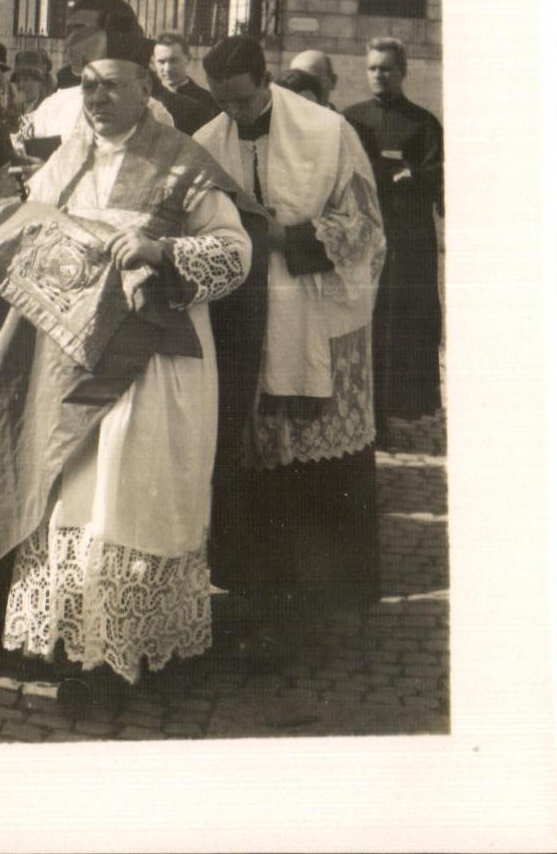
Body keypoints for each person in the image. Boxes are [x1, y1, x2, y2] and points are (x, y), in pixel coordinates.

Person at [0, 25, 253, 713]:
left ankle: (124, 650)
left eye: (113, 82)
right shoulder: (67, 162)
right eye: (87, 83)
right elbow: (21, 232)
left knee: (130, 496)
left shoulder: (180, 161)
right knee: (76, 495)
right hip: (76, 361)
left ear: (145, 86)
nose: (97, 95)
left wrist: (163, 252)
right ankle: (81, 641)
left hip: (153, 363)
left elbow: (234, 254)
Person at [195, 35, 386, 658]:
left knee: (309, 475)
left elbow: (365, 231)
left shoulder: (328, 133)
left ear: (266, 77)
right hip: (241, 326)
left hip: (310, 317)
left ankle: (318, 607)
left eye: (246, 100)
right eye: (226, 105)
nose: (239, 115)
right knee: (250, 470)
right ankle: (257, 603)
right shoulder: (207, 142)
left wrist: (285, 235)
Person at [343, 38, 444, 443]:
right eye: (373, 68)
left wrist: (414, 177)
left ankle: (395, 410)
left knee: (401, 326)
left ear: (403, 72)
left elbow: (438, 175)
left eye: (386, 68)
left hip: (408, 241)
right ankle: (361, 410)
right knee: (364, 322)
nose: (379, 75)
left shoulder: (424, 123)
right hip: (365, 237)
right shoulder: (352, 120)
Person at [22, 0, 171, 156]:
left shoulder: (149, 111)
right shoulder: (53, 106)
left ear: (114, 36)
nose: (69, 42)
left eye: (78, 30)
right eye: (68, 32)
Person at [151, 30, 218, 134]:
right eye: (161, 62)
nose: (168, 68)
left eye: (174, 60)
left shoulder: (208, 101)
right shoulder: (148, 99)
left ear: (188, 59)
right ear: (153, 62)